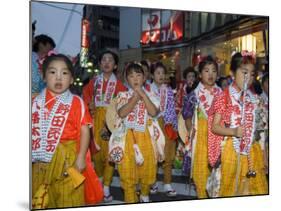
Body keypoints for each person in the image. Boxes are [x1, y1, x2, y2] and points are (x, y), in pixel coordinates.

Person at [31, 54, 93, 208]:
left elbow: (85, 130)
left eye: (64, 73)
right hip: (39, 160)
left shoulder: (77, 102)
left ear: (72, 79)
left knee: (69, 196)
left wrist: (80, 158)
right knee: (41, 197)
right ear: (44, 77)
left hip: (68, 158)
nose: (58, 77)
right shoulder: (34, 101)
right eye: (52, 72)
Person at [209, 52, 268, 197]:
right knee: (229, 191)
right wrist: (234, 131)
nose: (248, 77)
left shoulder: (256, 99)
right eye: (244, 72)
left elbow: (261, 131)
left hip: (253, 152)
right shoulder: (223, 96)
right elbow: (215, 127)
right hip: (230, 151)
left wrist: (265, 156)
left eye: (252, 73)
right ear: (232, 73)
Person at [109, 62, 162, 203]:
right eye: (131, 76)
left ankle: (144, 194)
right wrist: (135, 98)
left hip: (146, 137)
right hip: (126, 139)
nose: (135, 79)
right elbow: (121, 113)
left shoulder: (151, 94)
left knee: (147, 170)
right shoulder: (122, 95)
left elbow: (153, 111)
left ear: (144, 78)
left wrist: (143, 95)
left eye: (138, 75)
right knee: (127, 174)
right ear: (126, 79)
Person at [82, 49, 127, 202]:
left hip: (110, 120)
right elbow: (86, 94)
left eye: (110, 60)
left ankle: (106, 185)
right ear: (100, 64)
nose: (107, 62)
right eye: (104, 60)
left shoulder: (119, 85)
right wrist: (89, 104)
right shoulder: (94, 81)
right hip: (95, 119)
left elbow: (123, 103)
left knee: (109, 153)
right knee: (95, 151)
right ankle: (100, 178)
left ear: (115, 66)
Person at [181, 56, 221, 198]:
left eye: (214, 71)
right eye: (206, 71)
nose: (210, 74)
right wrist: (190, 128)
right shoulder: (194, 94)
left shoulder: (222, 94)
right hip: (200, 136)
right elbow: (187, 115)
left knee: (217, 171)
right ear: (200, 74)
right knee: (200, 169)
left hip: (218, 136)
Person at [149, 62, 178, 197]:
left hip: (166, 123)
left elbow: (172, 109)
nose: (161, 76)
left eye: (162, 73)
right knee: (153, 153)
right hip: (152, 123)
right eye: (157, 73)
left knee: (168, 153)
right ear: (152, 75)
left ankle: (167, 183)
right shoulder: (148, 90)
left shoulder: (169, 90)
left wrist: (172, 126)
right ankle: (152, 182)